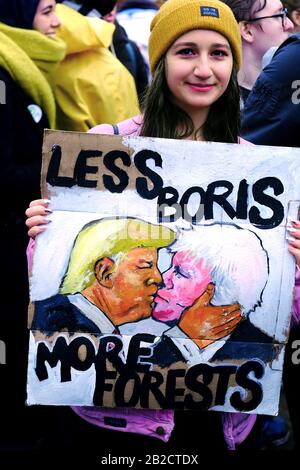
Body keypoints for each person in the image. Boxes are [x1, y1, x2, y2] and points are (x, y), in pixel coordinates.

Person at [25, 0, 300, 454]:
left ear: (234, 63)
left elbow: (281, 315)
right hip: (114, 422)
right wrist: (42, 235)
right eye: (186, 52)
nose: (204, 69)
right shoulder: (103, 149)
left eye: (218, 53)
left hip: (218, 422)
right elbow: (55, 288)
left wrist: (295, 266)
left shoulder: (259, 169)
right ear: (160, 60)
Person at [0, 0, 66, 456]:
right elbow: (2, 172)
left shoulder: (20, 67)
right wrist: (67, 171)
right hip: (11, 240)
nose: (58, 21)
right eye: (45, 10)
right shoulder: (4, 77)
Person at [31, 217, 175, 334]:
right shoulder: (49, 323)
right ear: (105, 273)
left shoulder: (91, 327)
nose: (158, 278)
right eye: (145, 266)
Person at [223, 0, 293, 105]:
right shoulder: (226, 105)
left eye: (285, 13)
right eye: (278, 15)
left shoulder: (294, 85)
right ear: (247, 31)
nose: (290, 25)